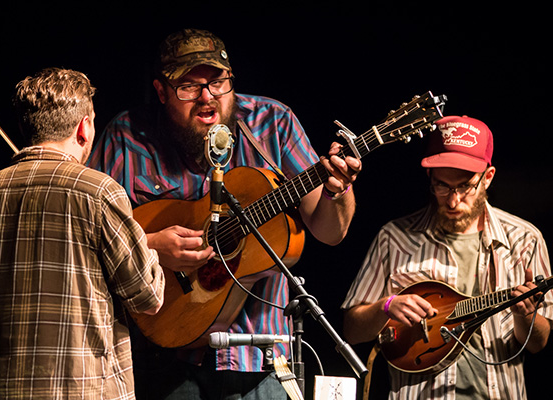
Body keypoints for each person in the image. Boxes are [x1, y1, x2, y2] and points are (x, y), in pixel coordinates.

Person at [87, 28, 361, 399]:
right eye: (188, 86)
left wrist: (338, 189)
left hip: (262, 361)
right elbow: (87, 239)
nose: (206, 97)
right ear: (161, 90)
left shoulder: (272, 123)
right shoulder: (127, 136)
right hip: (163, 357)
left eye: (218, 82)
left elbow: (330, 232)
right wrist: (148, 245)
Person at [341, 115, 552, 399]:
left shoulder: (525, 240)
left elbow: (538, 343)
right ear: (430, 177)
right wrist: (386, 306)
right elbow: (352, 331)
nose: (453, 200)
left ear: (487, 178)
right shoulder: (394, 237)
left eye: (465, 186)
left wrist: (526, 316)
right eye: (442, 186)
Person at [0, 67, 166, 400]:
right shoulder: (99, 191)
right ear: (84, 127)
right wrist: (149, 247)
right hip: (84, 389)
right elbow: (147, 297)